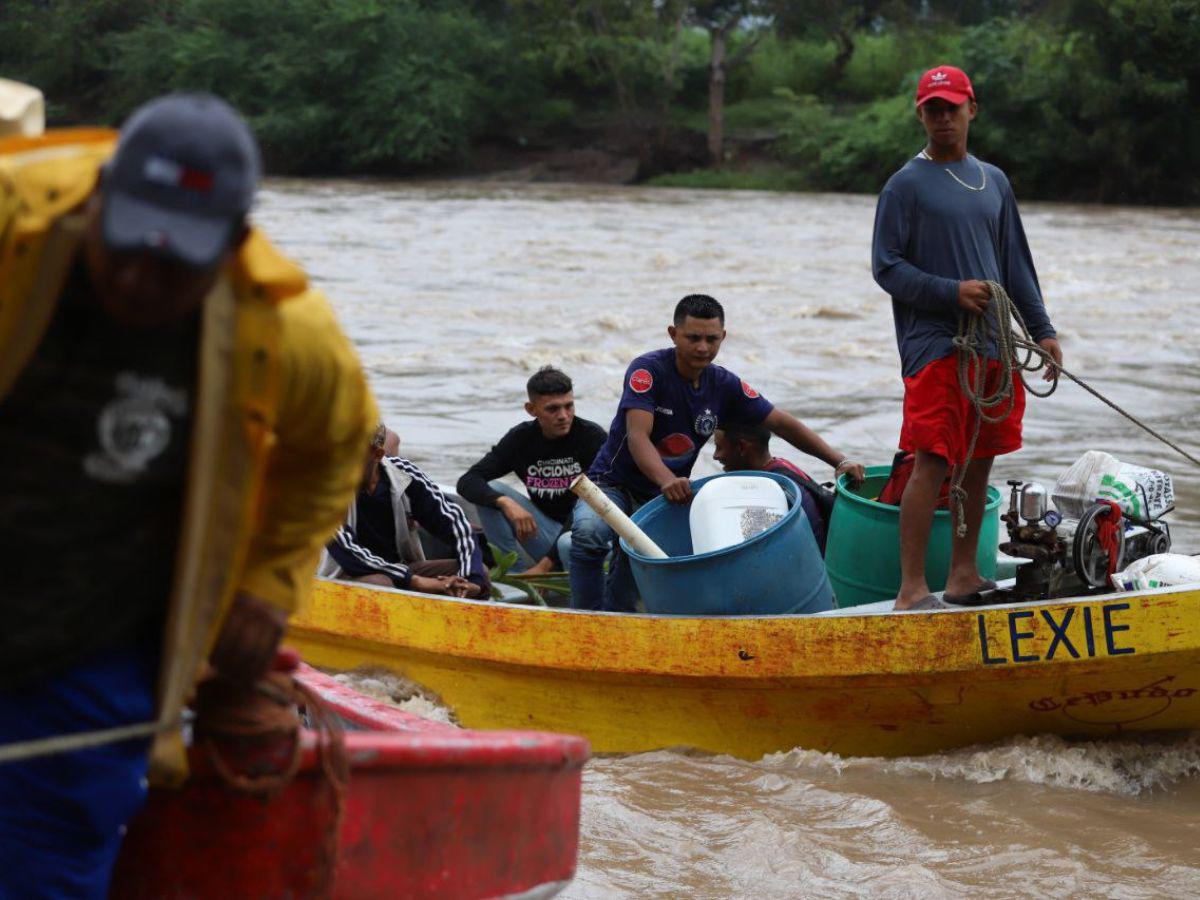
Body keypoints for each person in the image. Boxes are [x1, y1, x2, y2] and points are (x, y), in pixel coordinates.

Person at [0, 94, 376, 897]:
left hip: (90, 643)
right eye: (125, 245)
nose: (138, 281)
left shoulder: (283, 332)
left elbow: (336, 446)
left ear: (234, 247)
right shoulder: (11, 222)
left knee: (43, 872)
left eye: (173, 266)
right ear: (96, 196)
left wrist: (268, 588)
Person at [871, 65, 1062, 611]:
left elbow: (1015, 266)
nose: (943, 117)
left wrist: (1042, 331)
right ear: (921, 115)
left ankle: (962, 574)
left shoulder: (993, 181)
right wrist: (950, 292)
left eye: (951, 107)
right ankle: (911, 589)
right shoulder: (904, 185)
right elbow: (886, 267)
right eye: (933, 108)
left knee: (981, 458)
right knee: (932, 458)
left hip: (993, 344)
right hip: (936, 344)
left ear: (971, 109)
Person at [572, 294, 865, 612]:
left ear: (723, 337)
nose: (702, 348)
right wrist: (668, 479)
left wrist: (839, 460)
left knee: (637, 571)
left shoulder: (723, 384)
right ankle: (583, 619)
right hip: (612, 483)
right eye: (693, 338)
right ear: (673, 334)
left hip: (660, 496)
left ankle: (615, 623)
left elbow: (782, 423)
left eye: (711, 339)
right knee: (589, 534)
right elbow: (637, 436)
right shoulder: (647, 371)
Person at [456, 366, 605, 574]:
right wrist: (505, 502)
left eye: (568, 406)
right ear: (531, 409)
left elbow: (592, 506)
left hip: (585, 539)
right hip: (545, 534)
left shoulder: (592, 437)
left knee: (569, 541)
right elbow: (467, 481)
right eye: (552, 409)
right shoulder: (521, 439)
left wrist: (544, 565)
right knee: (490, 489)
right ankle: (515, 579)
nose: (563, 415)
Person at [320, 423, 491, 598]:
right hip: (340, 577)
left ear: (377, 454)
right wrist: (415, 580)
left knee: (480, 573)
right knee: (381, 584)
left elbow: (456, 525)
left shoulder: (403, 474)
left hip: (400, 570)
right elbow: (350, 553)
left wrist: (472, 579)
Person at [712, 420, 835, 553]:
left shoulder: (766, 492)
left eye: (719, 447)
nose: (715, 456)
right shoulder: (783, 466)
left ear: (742, 447)